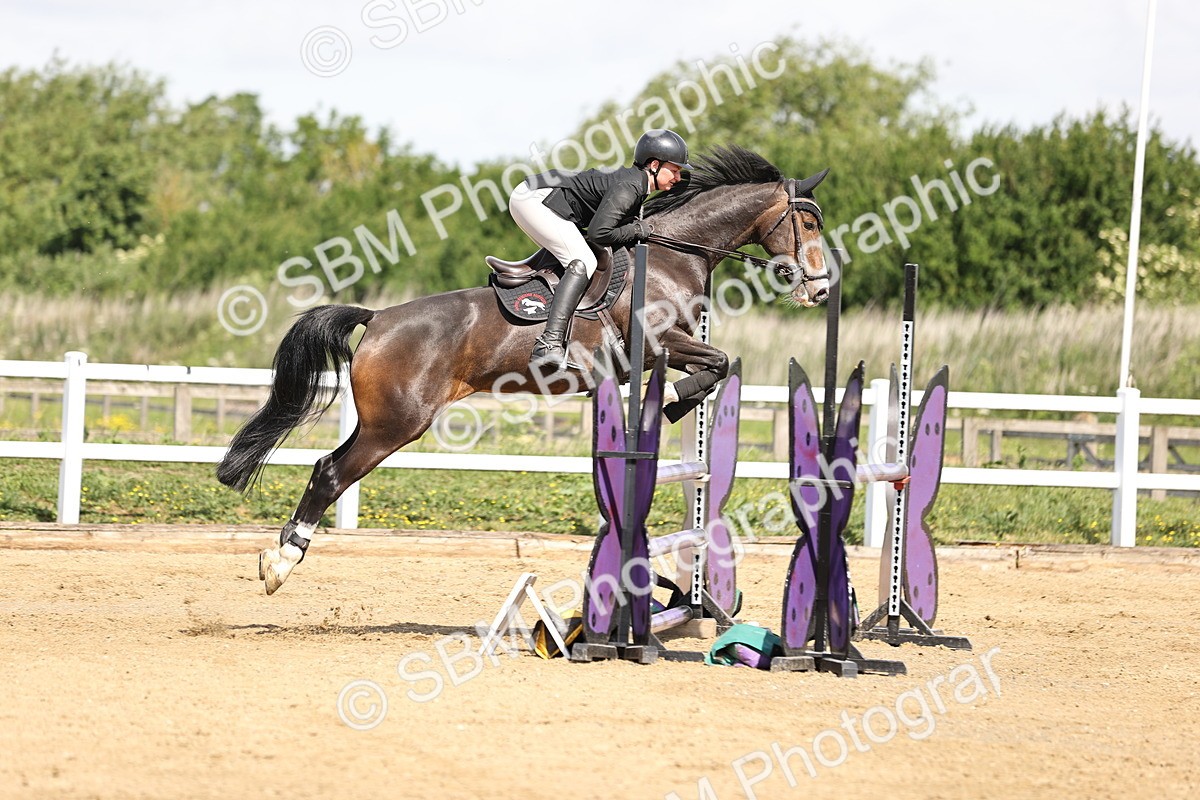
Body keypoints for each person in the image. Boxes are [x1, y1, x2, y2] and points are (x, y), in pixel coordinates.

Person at [508, 128, 692, 370]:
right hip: (534, 200)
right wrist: (638, 230)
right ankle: (549, 343)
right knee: (583, 261)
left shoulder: (637, 185)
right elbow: (599, 233)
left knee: (578, 254)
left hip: (544, 199)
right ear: (655, 164)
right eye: (675, 170)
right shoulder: (630, 186)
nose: (677, 178)